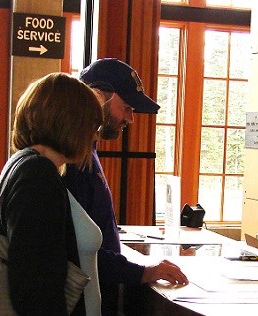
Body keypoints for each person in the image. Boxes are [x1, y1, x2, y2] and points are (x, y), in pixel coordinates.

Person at [63, 58, 188, 315]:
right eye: (127, 107)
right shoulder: (72, 160)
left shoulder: (87, 150)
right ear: (98, 97)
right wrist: (144, 272)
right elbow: (77, 249)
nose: (130, 119)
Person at [0, 72, 104, 315]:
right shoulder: (37, 174)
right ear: (70, 123)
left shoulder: (27, 164)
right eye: (92, 127)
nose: (95, 136)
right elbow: (35, 285)